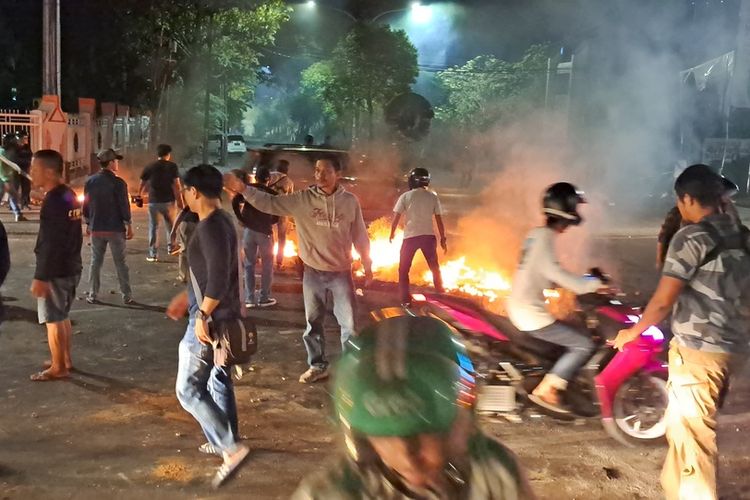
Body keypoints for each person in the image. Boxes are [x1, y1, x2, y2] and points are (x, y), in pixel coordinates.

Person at [613, 165, 750, 500]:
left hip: (700, 354)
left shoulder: (692, 238)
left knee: (693, 439)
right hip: (738, 350)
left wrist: (632, 332)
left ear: (687, 198)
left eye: (680, 201)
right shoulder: (743, 236)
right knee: (685, 430)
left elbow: (663, 300)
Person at [293, 313, 535, 499]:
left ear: (458, 425)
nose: (407, 455)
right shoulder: (332, 493)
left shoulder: (495, 474)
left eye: (422, 432)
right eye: (384, 436)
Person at [224, 156, 372, 384]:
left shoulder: (350, 202)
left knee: (349, 326)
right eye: (317, 170)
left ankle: (351, 371)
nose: (319, 175)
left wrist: (367, 263)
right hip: (312, 273)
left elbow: (360, 235)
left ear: (338, 174)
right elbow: (270, 203)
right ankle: (317, 365)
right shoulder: (303, 199)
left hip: (341, 273)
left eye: (325, 171)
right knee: (313, 324)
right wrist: (244, 189)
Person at [166, 164, 250, 489]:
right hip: (220, 314)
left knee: (187, 389)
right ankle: (224, 439)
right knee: (218, 380)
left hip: (210, 321)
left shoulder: (210, 227)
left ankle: (231, 447)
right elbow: (215, 275)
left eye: (185, 190)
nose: (184, 195)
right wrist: (185, 297)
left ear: (194, 192)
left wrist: (201, 314)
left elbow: (216, 280)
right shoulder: (222, 221)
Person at [506, 182, 605, 413]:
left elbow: (544, 272)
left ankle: (561, 379)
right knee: (583, 344)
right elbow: (557, 274)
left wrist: (579, 281)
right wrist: (593, 283)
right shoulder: (544, 239)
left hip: (519, 305)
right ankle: (548, 389)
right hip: (530, 314)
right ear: (567, 210)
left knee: (573, 325)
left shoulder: (536, 235)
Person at [28, 150, 83, 381]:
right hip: (71, 265)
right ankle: (64, 359)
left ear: (49, 171)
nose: (31, 173)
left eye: (35, 169)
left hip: (55, 270)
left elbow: (49, 241)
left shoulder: (54, 201)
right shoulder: (67, 195)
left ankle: (58, 367)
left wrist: (41, 276)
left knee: (53, 319)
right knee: (62, 316)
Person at [656, 173, 741, 269]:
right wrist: (660, 260)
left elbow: (736, 230)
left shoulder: (725, 214)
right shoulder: (678, 213)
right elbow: (664, 235)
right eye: (723, 197)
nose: (727, 202)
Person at [83, 149, 133, 304]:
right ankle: (127, 295)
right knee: (121, 263)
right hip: (115, 229)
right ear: (111, 163)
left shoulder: (90, 182)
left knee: (95, 262)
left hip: (97, 228)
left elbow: (86, 205)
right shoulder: (118, 183)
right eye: (116, 160)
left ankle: (92, 294)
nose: (117, 163)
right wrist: (128, 224)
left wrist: (88, 223)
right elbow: (124, 206)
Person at [390, 167, 447, 304]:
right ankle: (440, 293)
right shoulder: (433, 197)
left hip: (411, 237)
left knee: (403, 269)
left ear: (412, 180)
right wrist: (443, 238)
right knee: (434, 267)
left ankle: (405, 299)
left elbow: (396, 216)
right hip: (428, 237)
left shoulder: (405, 196)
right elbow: (439, 219)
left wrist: (392, 232)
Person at [231, 167, 278, 308]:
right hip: (265, 232)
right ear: (268, 179)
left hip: (249, 231)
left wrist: (241, 219)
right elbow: (279, 211)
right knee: (267, 265)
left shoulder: (247, 190)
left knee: (249, 264)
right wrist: (272, 221)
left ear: (256, 178)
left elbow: (234, 202)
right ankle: (264, 298)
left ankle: (249, 298)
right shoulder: (271, 193)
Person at [139, 144, 181, 262]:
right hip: (169, 201)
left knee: (154, 227)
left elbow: (142, 182)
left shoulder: (150, 166)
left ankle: (153, 254)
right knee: (171, 226)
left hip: (153, 201)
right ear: (168, 154)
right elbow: (176, 185)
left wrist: (139, 194)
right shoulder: (172, 167)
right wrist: (181, 200)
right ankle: (172, 248)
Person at [269, 159, 294, 269]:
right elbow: (291, 199)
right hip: (282, 212)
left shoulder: (269, 176)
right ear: (287, 169)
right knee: (281, 237)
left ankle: (263, 257)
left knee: (267, 234)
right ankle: (279, 262)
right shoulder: (289, 182)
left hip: (268, 210)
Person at [0, 134, 26, 222]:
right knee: (13, 196)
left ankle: (18, 214)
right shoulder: (7, 152)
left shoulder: (3, 151)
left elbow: (13, 165)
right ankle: (18, 214)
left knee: (12, 196)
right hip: (5, 178)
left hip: (5, 178)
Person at [170, 205, 199, 283]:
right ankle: (194, 275)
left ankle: (183, 276)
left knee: (184, 250)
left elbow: (182, 213)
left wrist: (174, 230)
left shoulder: (193, 199)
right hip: (196, 224)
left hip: (186, 223)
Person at [15, 133, 32, 209]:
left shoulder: (27, 147)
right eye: (25, 138)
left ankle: (24, 203)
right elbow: (14, 159)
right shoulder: (15, 148)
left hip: (26, 170)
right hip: (17, 170)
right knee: (15, 188)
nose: (26, 140)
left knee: (26, 187)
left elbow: (30, 156)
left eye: (27, 138)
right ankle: (13, 204)